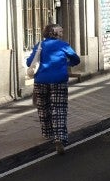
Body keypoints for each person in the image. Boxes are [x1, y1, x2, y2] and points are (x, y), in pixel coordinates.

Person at [25, 23, 80, 154]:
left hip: (41, 81)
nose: (62, 33)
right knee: (59, 109)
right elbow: (76, 59)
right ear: (54, 33)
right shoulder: (63, 45)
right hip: (59, 81)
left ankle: (48, 133)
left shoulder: (39, 45)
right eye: (60, 31)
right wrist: (66, 63)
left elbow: (29, 62)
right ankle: (59, 137)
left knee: (43, 108)